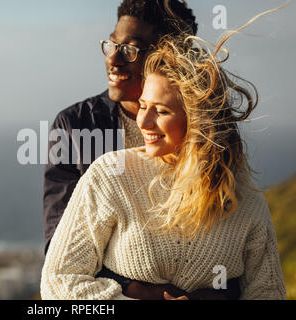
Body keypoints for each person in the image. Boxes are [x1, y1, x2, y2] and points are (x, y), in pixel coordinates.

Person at [40, 9, 287, 300]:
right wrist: (136, 291)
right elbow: (61, 271)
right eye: (144, 106)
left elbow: (266, 291)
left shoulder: (244, 198)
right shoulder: (97, 158)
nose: (113, 58)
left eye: (131, 48)